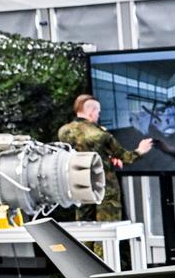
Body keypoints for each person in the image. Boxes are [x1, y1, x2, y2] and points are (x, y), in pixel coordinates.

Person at [57, 93, 153, 222]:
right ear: (91, 111)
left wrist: (106, 154)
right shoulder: (100, 135)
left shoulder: (63, 132)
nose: (98, 116)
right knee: (107, 230)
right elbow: (126, 157)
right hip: (103, 188)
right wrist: (140, 150)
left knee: (84, 228)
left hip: (79, 186)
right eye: (98, 112)